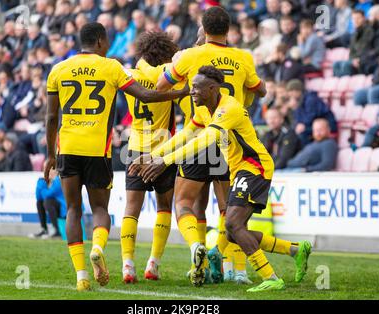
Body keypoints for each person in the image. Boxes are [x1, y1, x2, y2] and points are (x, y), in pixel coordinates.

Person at [130, 66, 312, 292]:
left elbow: (205, 141)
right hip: (240, 170)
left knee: (233, 225)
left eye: (196, 88)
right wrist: (153, 155)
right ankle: (295, 250)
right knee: (236, 233)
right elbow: (186, 135)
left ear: (212, 88)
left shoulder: (229, 109)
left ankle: (272, 277)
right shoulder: (204, 109)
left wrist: (167, 161)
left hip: (254, 167)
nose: (191, 92)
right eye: (192, 87)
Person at [44, 22, 188, 292]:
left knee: (74, 209)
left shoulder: (58, 69)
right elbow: (146, 94)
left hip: (68, 147)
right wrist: (181, 92)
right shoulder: (111, 67)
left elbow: (52, 116)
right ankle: (98, 247)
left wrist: (50, 155)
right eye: (107, 40)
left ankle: (82, 276)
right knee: (100, 209)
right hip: (100, 149)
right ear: (100, 41)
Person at [154, 6, 267, 286]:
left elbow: (159, 88)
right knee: (231, 209)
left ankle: (198, 253)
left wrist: (178, 70)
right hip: (231, 140)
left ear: (202, 29)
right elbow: (261, 90)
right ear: (229, 30)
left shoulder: (191, 56)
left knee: (186, 203)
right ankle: (236, 269)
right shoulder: (243, 57)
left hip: (200, 133)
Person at [120, 31, 179, 283]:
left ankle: (127, 265)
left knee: (131, 209)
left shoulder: (130, 75)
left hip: (135, 147)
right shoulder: (168, 76)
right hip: (162, 151)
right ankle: (153, 263)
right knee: (164, 207)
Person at [286, 79, 337, 147]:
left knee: (302, 133)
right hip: (313, 124)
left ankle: (306, 153)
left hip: (327, 124)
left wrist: (301, 124)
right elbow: (298, 119)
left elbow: (310, 117)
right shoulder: (299, 100)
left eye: (291, 92)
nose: (290, 95)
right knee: (291, 131)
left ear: (297, 90)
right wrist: (295, 111)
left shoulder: (310, 99)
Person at [32, 167, 66, 239]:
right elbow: (38, 197)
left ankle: (57, 231)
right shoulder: (46, 182)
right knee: (39, 203)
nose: (48, 172)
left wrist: (41, 187)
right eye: (47, 169)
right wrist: (40, 182)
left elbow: (47, 195)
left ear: (56, 172)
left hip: (65, 209)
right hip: (56, 206)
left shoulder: (58, 180)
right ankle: (44, 229)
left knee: (48, 201)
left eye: (51, 170)